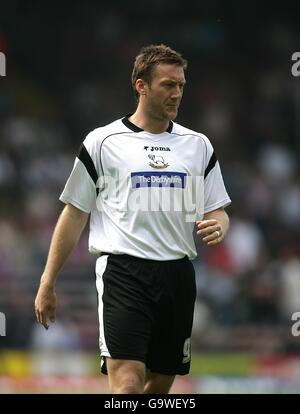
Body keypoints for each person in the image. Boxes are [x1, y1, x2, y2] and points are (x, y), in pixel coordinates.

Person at [34, 44, 231, 394]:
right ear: (141, 86)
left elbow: (217, 208)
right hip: (124, 273)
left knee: (159, 387)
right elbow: (75, 212)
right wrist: (48, 280)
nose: (177, 93)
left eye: (181, 85)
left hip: (178, 276)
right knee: (127, 384)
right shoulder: (102, 142)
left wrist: (220, 224)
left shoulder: (198, 145)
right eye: (167, 85)